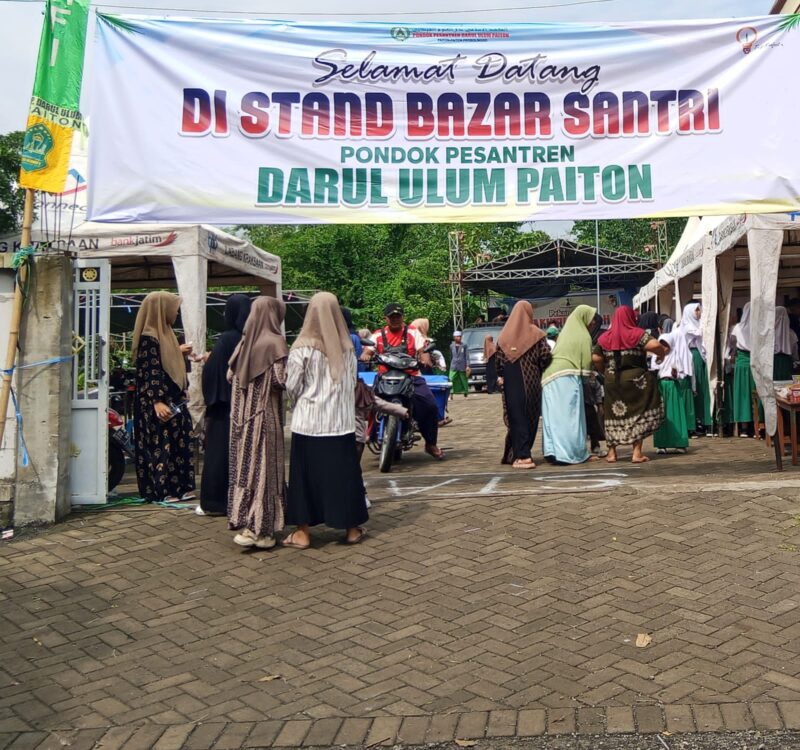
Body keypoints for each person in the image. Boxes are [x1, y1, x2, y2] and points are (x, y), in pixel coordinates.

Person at [284, 292, 368, 548]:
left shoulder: (301, 348)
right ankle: (351, 529)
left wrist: (302, 401)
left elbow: (292, 386)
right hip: (341, 423)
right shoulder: (348, 349)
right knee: (344, 477)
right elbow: (351, 384)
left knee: (305, 479)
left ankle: (302, 533)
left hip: (308, 423)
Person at [227, 297, 289, 549]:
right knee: (265, 472)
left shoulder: (244, 343)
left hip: (240, 420)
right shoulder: (275, 343)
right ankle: (261, 528)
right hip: (264, 419)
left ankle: (246, 521)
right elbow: (280, 381)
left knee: (246, 471)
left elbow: (230, 375)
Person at [132, 292, 195, 503]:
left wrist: (183, 388)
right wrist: (157, 401)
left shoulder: (167, 334)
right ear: (161, 309)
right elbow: (151, 371)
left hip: (175, 400)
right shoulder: (149, 337)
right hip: (157, 402)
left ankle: (181, 487)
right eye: (173, 308)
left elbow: (170, 364)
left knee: (180, 444)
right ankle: (162, 490)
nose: (175, 313)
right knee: (160, 446)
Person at [197, 294, 252, 517]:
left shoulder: (227, 338)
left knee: (218, 455)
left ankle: (215, 502)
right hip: (243, 406)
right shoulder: (248, 338)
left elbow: (213, 373)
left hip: (222, 407)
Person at [593, 306, 667, 464]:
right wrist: (661, 355)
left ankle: (611, 453)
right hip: (636, 381)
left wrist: (605, 371)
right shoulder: (637, 334)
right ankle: (636, 453)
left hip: (612, 381)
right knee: (637, 414)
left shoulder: (605, 337)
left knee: (612, 415)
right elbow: (655, 345)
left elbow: (596, 358)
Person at [373, 303, 444, 459]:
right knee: (365, 403)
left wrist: (425, 359)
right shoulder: (378, 335)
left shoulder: (413, 333)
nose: (395, 320)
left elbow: (422, 350)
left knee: (430, 405)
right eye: (392, 317)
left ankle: (430, 443)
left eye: (398, 316)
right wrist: (365, 355)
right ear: (386, 319)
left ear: (403, 317)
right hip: (384, 377)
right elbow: (368, 349)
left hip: (411, 376)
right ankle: (364, 437)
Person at [495, 301, 552, 468]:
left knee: (516, 416)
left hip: (512, 381)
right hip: (532, 380)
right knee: (531, 416)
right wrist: (538, 367)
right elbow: (546, 356)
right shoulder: (537, 334)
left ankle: (523, 456)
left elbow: (498, 364)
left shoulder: (503, 337)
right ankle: (520, 453)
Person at [541, 305, 597, 464]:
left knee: (553, 416)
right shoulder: (583, 336)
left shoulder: (565, 333)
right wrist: (588, 379)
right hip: (566, 377)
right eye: (591, 318)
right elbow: (586, 363)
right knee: (569, 417)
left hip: (548, 377)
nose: (593, 322)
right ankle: (568, 454)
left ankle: (552, 452)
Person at [653, 327, 694, 454]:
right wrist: (658, 362)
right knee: (661, 415)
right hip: (660, 386)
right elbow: (653, 369)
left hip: (673, 385)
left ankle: (679, 443)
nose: (664, 348)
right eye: (661, 345)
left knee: (675, 413)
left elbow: (681, 373)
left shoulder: (675, 356)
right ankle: (661, 444)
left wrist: (675, 374)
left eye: (666, 345)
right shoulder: (656, 356)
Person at [681, 302, 712, 435]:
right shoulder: (686, 327)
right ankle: (699, 420)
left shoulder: (698, 325)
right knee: (698, 388)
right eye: (697, 310)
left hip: (702, 357)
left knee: (705, 389)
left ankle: (707, 420)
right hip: (694, 357)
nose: (699, 312)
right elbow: (700, 333)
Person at [731, 302, 755, 437]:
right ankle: (757, 425)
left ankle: (744, 427)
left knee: (743, 393)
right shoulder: (759, 327)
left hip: (741, 362)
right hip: (755, 362)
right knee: (755, 392)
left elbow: (733, 346)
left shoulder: (737, 328)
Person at [585, 313, 606, 455]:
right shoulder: (600, 335)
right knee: (595, 408)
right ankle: (596, 439)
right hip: (593, 376)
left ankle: (596, 439)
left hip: (593, 377)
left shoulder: (591, 336)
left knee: (595, 409)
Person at [774, 305, 798, 380]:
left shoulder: (768, 334)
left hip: (770, 364)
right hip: (786, 364)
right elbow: (795, 354)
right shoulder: (792, 334)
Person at [449, 331, 470, 397]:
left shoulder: (464, 345)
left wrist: (467, 365)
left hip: (462, 365)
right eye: (457, 336)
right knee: (451, 379)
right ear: (454, 337)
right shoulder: (451, 346)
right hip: (454, 365)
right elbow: (451, 356)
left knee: (464, 380)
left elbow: (467, 356)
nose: (459, 338)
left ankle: (465, 392)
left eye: (460, 336)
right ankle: (451, 394)